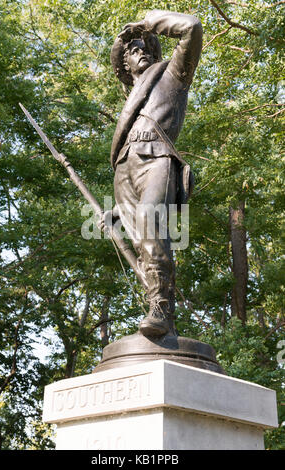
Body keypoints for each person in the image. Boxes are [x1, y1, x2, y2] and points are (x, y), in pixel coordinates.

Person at [109, 9, 203, 337]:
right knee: (141, 242)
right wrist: (119, 209)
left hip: (158, 159)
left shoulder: (173, 74)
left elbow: (191, 27)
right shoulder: (130, 102)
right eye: (135, 49)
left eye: (148, 47)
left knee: (151, 219)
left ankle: (163, 306)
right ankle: (155, 304)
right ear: (124, 64)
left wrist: (148, 21)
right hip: (125, 168)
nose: (144, 51)